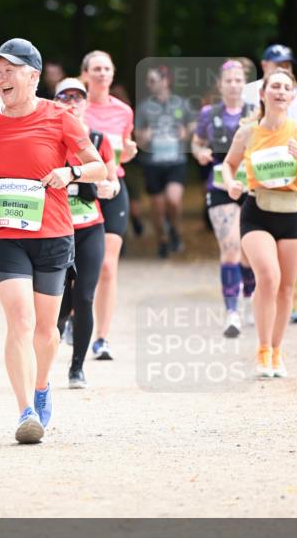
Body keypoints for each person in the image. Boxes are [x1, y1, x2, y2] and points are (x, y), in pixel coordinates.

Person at [0, 38, 106, 444]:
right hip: (2, 232)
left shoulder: (61, 118)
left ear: (34, 76)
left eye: (10, 69)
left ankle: (42, 386)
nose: (0, 76)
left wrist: (71, 174)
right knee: (19, 321)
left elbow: (98, 166)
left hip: (53, 232)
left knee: (46, 329)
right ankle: (25, 410)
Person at [223, 68, 297, 378]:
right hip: (258, 211)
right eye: (274, 86)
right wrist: (232, 185)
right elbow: (228, 164)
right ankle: (262, 349)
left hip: (292, 213)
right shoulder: (247, 132)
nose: (280, 92)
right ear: (262, 94)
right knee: (269, 276)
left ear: (292, 96)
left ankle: (277, 351)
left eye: (286, 88)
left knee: (287, 288)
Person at [53, 78, 119, 388]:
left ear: (85, 103)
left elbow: (111, 175)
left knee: (85, 295)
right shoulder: (49, 138)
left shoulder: (97, 138)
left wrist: (109, 186)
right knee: (59, 300)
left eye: (78, 97)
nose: (72, 101)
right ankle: (47, 348)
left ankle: (77, 368)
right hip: (56, 229)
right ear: (55, 103)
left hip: (90, 227)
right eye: (64, 96)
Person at [191, 60, 255, 338]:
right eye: (228, 80)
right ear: (220, 84)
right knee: (230, 247)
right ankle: (232, 312)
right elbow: (196, 142)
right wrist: (199, 153)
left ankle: (251, 298)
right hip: (219, 186)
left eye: (238, 80)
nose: (233, 85)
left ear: (245, 83)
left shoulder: (256, 113)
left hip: (251, 184)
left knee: (249, 249)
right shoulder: (209, 113)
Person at [81, 50, 138, 360]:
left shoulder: (123, 112)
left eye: (107, 68)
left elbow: (121, 153)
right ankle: (73, 316)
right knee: (75, 262)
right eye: (96, 69)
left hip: (114, 187)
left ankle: (102, 338)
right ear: (86, 74)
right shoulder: (76, 108)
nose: (102, 74)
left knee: (107, 266)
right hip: (82, 190)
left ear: (113, 74)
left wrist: (128, 152)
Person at [135, 66, 193, 258]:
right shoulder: (144, 107)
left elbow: (193, 126)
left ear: (166, 81)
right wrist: (145, 136)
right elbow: (137, 139)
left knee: (173, 200)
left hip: (176, 161)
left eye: (153, 80)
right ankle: (162, 239)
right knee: (158, 207)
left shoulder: (181, 104)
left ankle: (175, 230)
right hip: (153, 163)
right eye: (148, 81)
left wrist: (186, 132)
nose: (149, 85)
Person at [243, 45, 297, 127]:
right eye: (279, 65)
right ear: (264, 65)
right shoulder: (248, 90)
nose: (283, 69)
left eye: (287, 66)